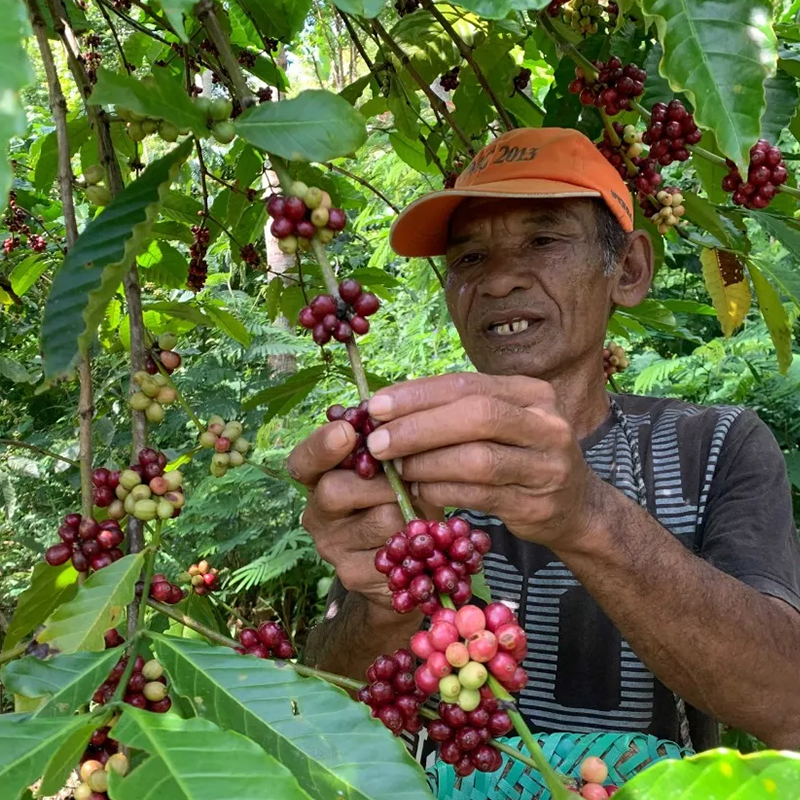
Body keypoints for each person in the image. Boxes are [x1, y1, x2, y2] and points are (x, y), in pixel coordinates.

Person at [289, 127, 800, 753]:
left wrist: (586, 515)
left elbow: (788, 701)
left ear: (630, 269)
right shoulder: (410, 464)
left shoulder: (715, 447)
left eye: (544, 239)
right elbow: (325, 710)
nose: (500, 282)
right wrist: (383, 607)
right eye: (469, 259)